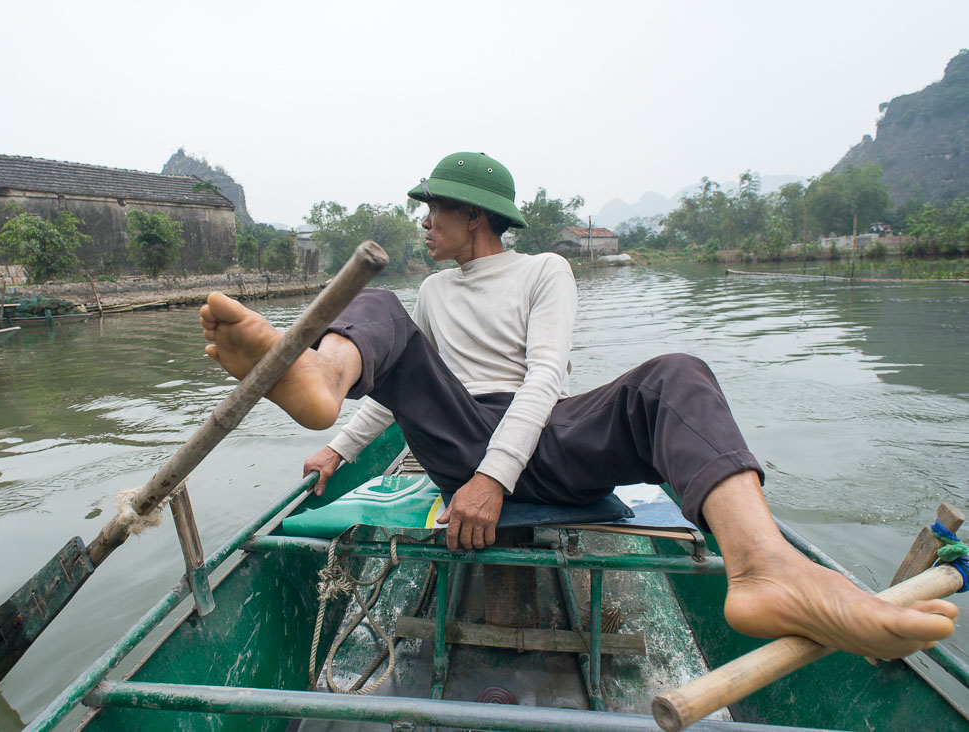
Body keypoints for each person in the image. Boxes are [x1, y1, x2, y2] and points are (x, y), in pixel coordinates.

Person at [200, 152, 958, 660]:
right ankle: (320, 378)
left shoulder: (544, 270)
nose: (423, 221)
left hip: (541, 440)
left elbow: (544, 378)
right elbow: (400, 391)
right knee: (383, 314)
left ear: (475, 218)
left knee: (676, 374)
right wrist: (338, 446)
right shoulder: (428, 293)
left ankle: (762, 569)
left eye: (434, 209)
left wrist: (493, 480)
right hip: (456, 434)